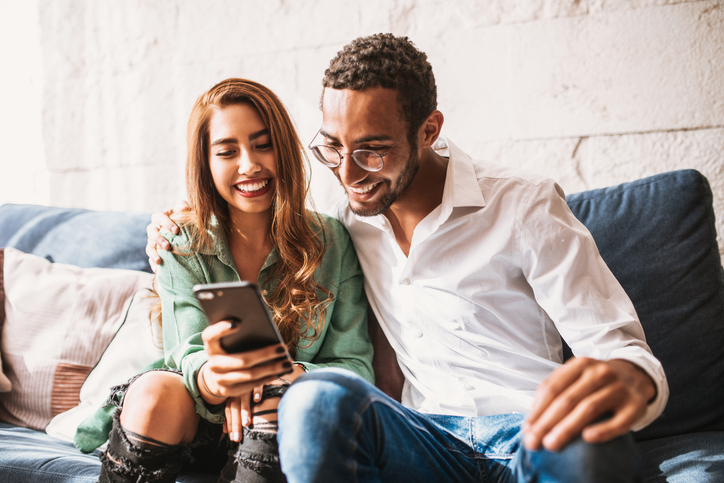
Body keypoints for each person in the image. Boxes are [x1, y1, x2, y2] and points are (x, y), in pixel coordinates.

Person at [148, 35, 668, 482]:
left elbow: (621, 349)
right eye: (332, 148)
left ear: (428, 130)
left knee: (586, 444)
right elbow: (259, 228)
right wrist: (180, 223)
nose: (348, 174)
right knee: (315, 398)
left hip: (531, 431)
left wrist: (627, 378)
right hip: (422, 440)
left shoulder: (523, 204)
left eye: (372, 150)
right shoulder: (346, 227)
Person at [98, 78, 374, 483]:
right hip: (194, 417)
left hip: (278, 422)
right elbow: (185, 351)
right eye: (227, 151)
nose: (250, 164)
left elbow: (355, 366)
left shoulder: (331, 241)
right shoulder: (181, 240)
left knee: (281, 396)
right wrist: (219, 380)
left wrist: (282, 376)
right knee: (157, 389)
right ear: (206, 163)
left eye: (263, 145)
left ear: (284, 149)